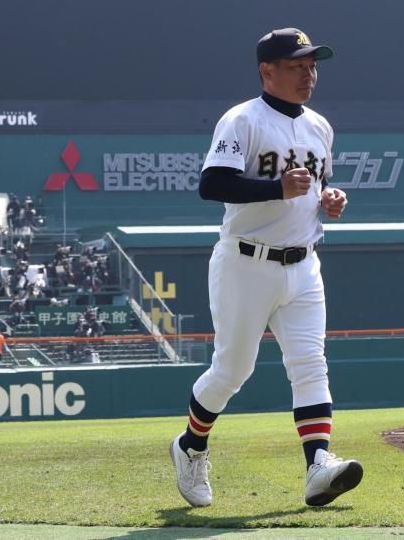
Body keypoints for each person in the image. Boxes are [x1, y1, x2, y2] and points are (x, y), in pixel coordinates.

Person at [169, 27, 361, 509]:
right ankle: (190, 446)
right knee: (233, 370)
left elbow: (311, 191)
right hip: (245, 261)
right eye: (297, 66)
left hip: (304, 263)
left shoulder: (320, 126)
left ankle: (319, 466)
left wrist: (328, 201)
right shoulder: (242, 120)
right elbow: (212, 185)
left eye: (312, 65)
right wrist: (276, 188)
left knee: (310, 363)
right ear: (267, 71)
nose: (308, 74)